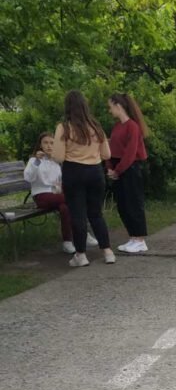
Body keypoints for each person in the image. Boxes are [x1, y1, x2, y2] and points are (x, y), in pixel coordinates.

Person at [52, 91, 114, 268]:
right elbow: (106, 154)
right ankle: (107, 251)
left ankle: (81, 255)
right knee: (96, 213)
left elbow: (58, 157)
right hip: (95, 172)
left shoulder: (64, 127)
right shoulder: (96, 126)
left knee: (77, 215)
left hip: (74, 172)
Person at [106, 92, 149, 254]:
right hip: (118, 167)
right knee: (123, 205)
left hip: (129, 169)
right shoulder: (117, 126)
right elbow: (111, 147)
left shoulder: (132, 126)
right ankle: (132, 237)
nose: (109, 110)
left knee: (133, 204)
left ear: (118, 106)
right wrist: (109, 167)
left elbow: (130, 153)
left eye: (110, 107)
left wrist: (117, 170)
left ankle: (140, 239)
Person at [23, 133, 77, 254]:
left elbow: (61, 181)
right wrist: (37, 161)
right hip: (41, 196)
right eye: (45, 143)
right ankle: (83, 232)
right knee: (74, 199)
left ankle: (67, 242)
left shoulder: (55, 161)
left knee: (65, 208)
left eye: (52, 143)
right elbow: (28, 178)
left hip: (57, 196)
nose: (49, 145)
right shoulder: (34, 160)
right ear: (40, 145)